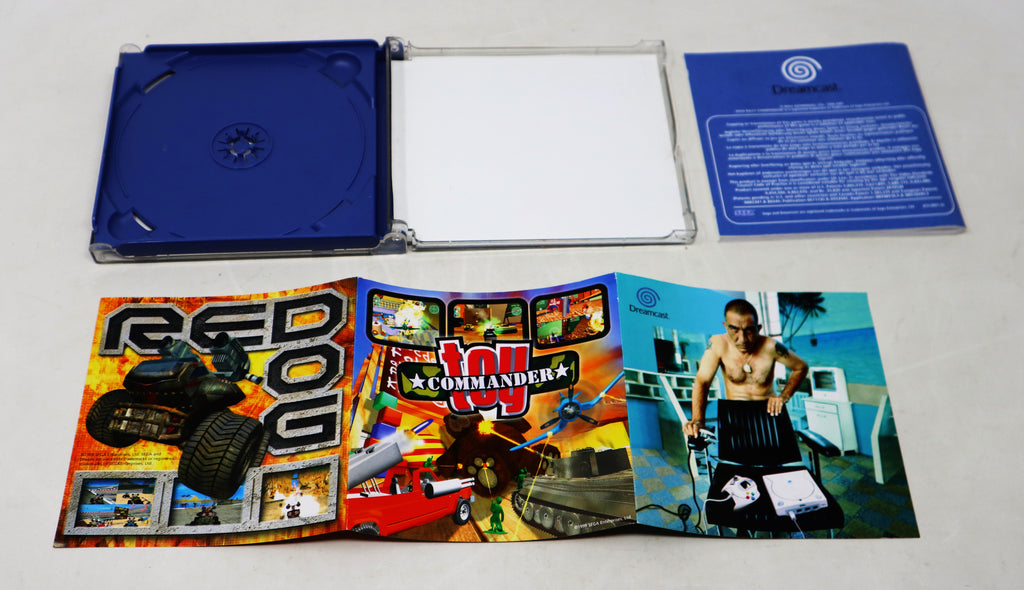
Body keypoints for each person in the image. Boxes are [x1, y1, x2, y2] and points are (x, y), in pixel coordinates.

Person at [682, 299, 808, 438]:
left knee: (777, 452)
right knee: (735, 453)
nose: (742, 339)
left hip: (769, 412)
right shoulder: (718, 344)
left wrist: (784, 396)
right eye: (734, 329)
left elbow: (801, 367)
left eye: (749, 330)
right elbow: (703, 381)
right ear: (725, 326)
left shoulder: (770, 346)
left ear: (758, 329)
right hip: (735, 416)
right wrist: (698, 420)